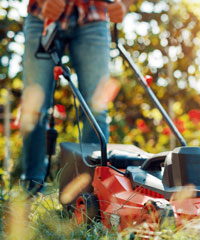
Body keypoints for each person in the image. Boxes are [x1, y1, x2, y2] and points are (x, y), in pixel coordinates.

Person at [22, 0, 133, 194]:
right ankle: (31, 190)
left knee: (96, 108)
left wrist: (124, 4)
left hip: (93, 16)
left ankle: (95, 192)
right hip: (43, 15)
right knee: (35, 107)